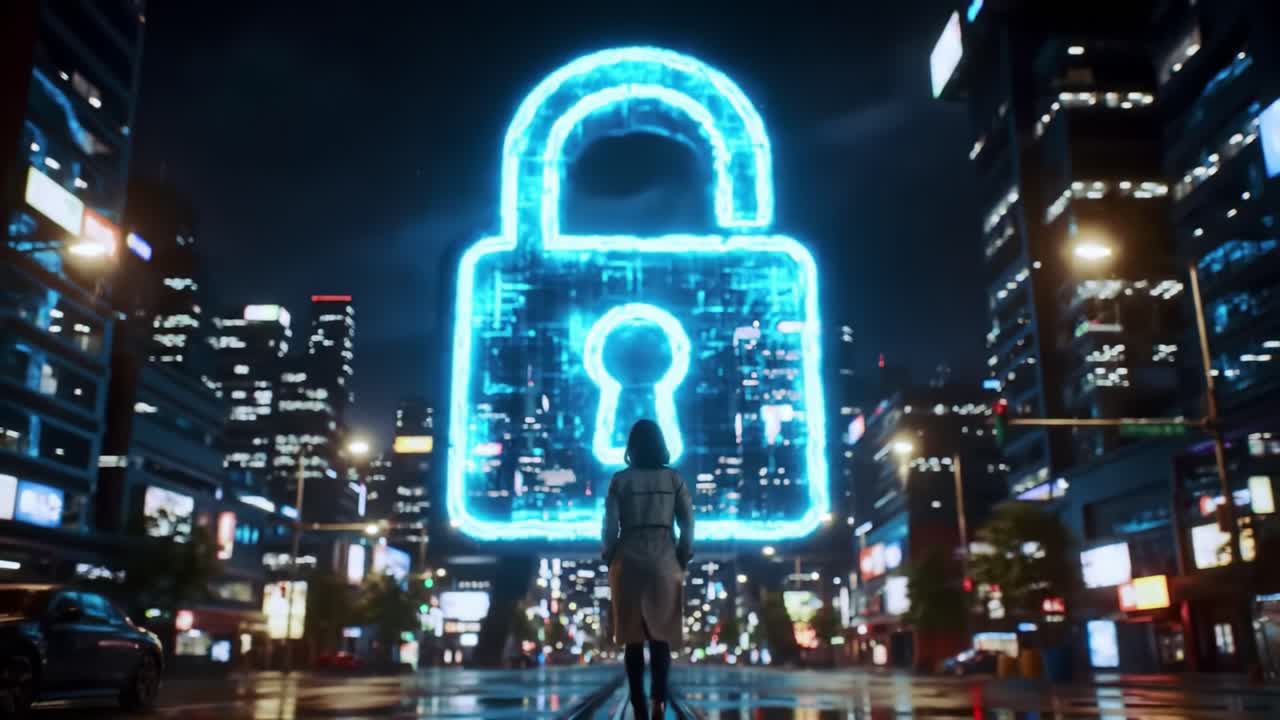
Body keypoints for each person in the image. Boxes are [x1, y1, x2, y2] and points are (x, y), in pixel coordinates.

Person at [602, 419, 694, 720]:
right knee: (660, 637)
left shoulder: (620, 481)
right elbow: (688, 523)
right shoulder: (673, 479)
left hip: (628, 560)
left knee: (632, 639)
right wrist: (682, 555)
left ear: (631, 447)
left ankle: (638, 705)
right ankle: (658, 702)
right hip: (664, 559)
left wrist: (610, 555)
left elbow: (609, 526)